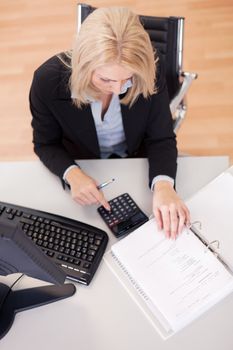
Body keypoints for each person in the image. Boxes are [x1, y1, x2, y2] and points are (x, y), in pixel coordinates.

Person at [30, 7, 190, 239]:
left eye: (128, 79)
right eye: (106, 79)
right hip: (87, 165)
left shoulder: (150, 70)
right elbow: (45, 143)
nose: (118, 90)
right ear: (83, 65)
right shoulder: (47, 81)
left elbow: (161, 137)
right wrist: (72, 173)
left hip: (137, 161)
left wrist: (164, 185)